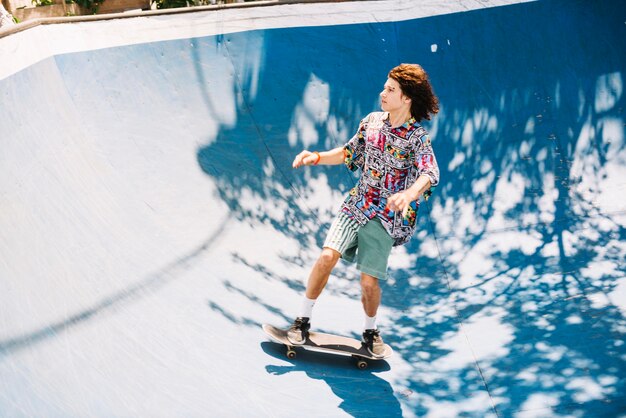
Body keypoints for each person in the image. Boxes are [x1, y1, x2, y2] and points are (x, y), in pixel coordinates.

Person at [288, 63, 440, 357]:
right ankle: (301, 320)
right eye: (385, 87)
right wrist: (316, 156)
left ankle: (370, 332)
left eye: (390, 90)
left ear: (406, 98)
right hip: (357, 203)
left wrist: (408, 194)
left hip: (386, 218)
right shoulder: (371, 122)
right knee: (326, 256)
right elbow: (348, 153)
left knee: (369, 282)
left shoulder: (416, 137)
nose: (382, 93)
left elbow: (430, 173)